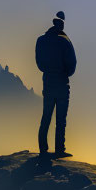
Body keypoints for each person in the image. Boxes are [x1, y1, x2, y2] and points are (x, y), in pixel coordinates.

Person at [35, 11, 77, 158]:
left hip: (48, 82)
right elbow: (72, 64)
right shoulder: (65, 41)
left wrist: (49, 71)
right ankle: (60, 149)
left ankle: (43, 148)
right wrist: (64, 73)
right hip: (62, 83)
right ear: (61, 24)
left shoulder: (41, 40)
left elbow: (39, 64)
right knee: (61, 119)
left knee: (46, 116)